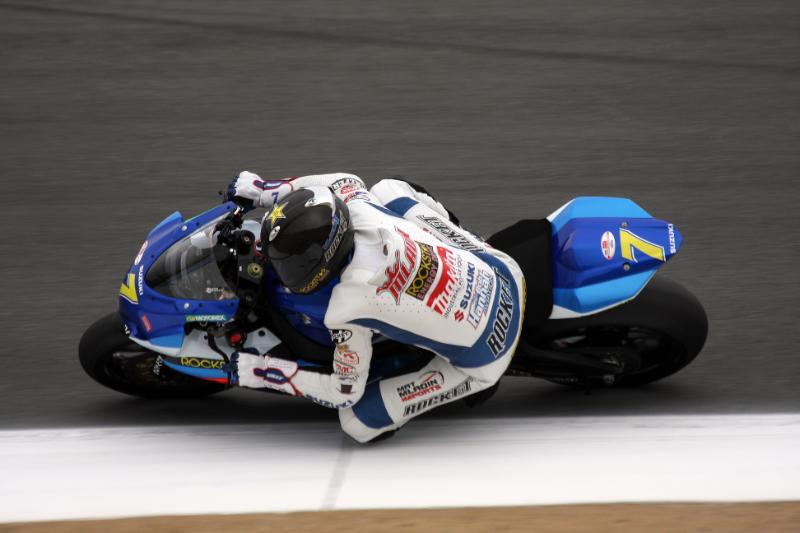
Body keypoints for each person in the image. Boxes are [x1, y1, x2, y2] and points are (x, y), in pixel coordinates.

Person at [226, 171, 526, 443]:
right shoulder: (357, 206)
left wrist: (261, 371)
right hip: (503, 271)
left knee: (357, 422)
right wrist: (265, 191)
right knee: (389, 188)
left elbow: (345, 392)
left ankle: (434, 371)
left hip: (489, 353)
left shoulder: (346, 306)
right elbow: (342, 179)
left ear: (321, 258)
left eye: (292, 263)